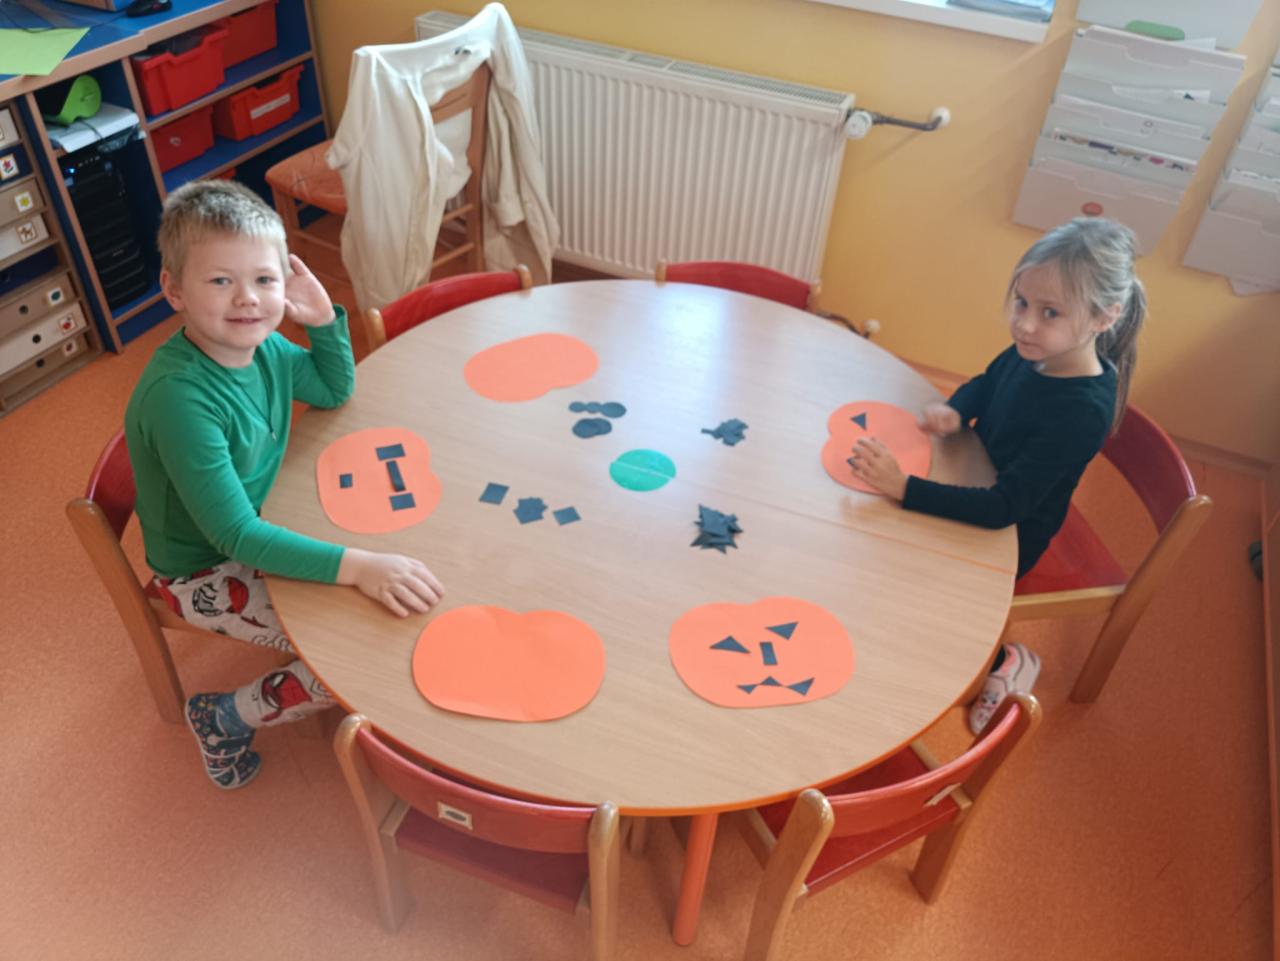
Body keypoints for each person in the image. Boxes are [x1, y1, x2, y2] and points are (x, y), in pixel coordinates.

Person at [125, 180, 445, 789]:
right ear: (174, 290)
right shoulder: (180, 399)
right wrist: (359, 567)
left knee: (399, 561)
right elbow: (237, 537)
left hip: (266, 515)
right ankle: (224, 716)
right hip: (205, 573)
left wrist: (322, 320)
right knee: (353, 652)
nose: (248, 298)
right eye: (221, 280)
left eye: (264, 280)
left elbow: (333, 388)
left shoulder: (264, 345)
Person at [848, 217, 1145, 732]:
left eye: (1049, 312)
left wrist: (903, 487)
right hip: (976, 481)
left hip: (1010, 533)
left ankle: (1006, 662)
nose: (1025, 324)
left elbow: (1003, 509)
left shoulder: (1082, 410)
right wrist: (957, 410)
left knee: (901, 553)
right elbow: (988, 383)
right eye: (1022, 303)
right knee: (877, 536)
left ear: (1105, 316)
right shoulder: (1039, 350)